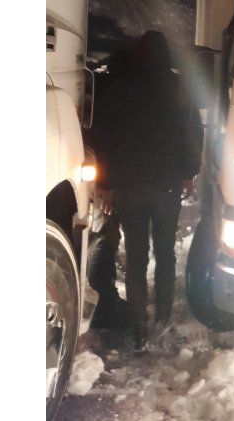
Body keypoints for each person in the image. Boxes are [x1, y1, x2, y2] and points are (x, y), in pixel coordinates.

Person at [87, 30, 202, 352]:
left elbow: (103, 138)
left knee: (136, 256)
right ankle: (162, 321)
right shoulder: (178, 88)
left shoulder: (119, 88)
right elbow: (192, 135)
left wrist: (106, 183)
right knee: (165, 253)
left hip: (128, 183)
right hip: (166, 183)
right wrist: (189, 173)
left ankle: (139, 327)